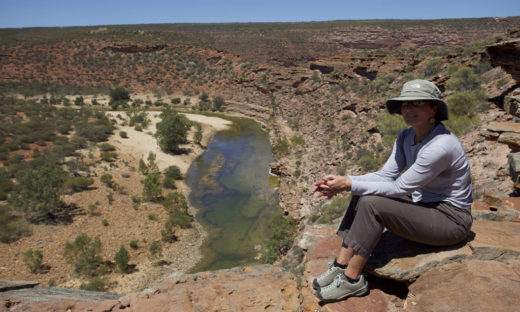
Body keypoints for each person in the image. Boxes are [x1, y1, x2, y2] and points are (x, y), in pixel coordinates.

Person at [312, 79, 473, 303]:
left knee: (372, 203)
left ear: (433, 109)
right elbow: (385, 175)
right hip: (423, 206)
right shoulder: (406, 136)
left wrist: (348, 184)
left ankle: (352, 280)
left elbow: (400, 187)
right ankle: (340, 265)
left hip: (451, 220)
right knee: (362, 193)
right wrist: (345, 182)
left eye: (417, 104)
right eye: (405, 104)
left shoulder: (441, 145)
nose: (409, 109)